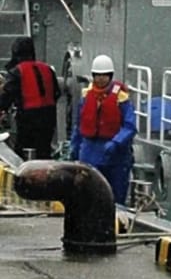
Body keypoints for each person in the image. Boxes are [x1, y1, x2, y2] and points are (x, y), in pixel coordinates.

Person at [69, 54, 136, 204]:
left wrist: (116, 142)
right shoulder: (86, 96)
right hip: (89, 151)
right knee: (88, 193)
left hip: (115, 154)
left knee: (116, 195)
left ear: (110, 76)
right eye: (97, 75)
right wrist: (74, 147)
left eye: (104, 75)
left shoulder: (121, 97)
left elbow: (130, 126)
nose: (101, 78)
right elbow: (79, 125)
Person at [0, 37, 59, 160]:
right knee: (44, 151)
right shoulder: (47, 69)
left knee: (23, 151)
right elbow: (56, 93)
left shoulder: (17, 72)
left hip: (28, 117)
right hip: (49, 117)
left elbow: (6, 97)